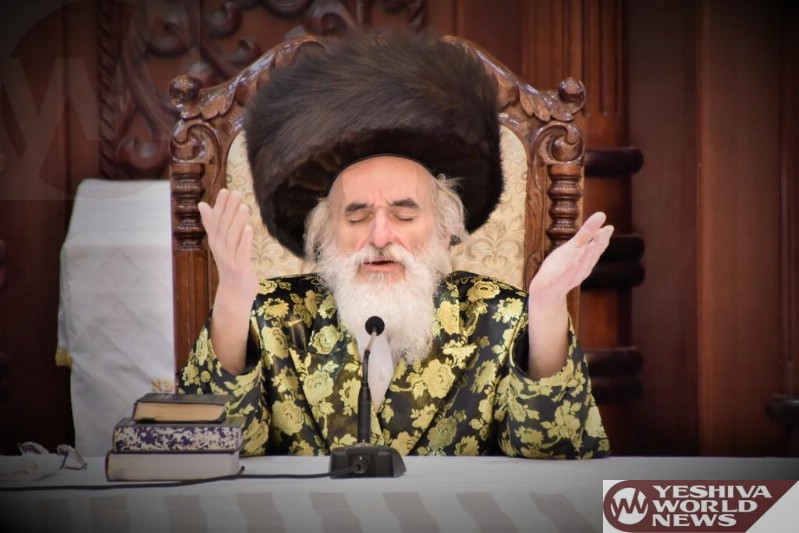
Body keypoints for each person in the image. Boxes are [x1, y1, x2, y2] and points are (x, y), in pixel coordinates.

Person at [178, 30, 612, 459]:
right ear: (324, 234)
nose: (381, 236)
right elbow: (210, 445)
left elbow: (553, 450)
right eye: (357, 216)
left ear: (444, 229)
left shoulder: (502, 319)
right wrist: (232, 299)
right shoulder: (271, 317)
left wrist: (548, 306)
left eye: (404, 216)